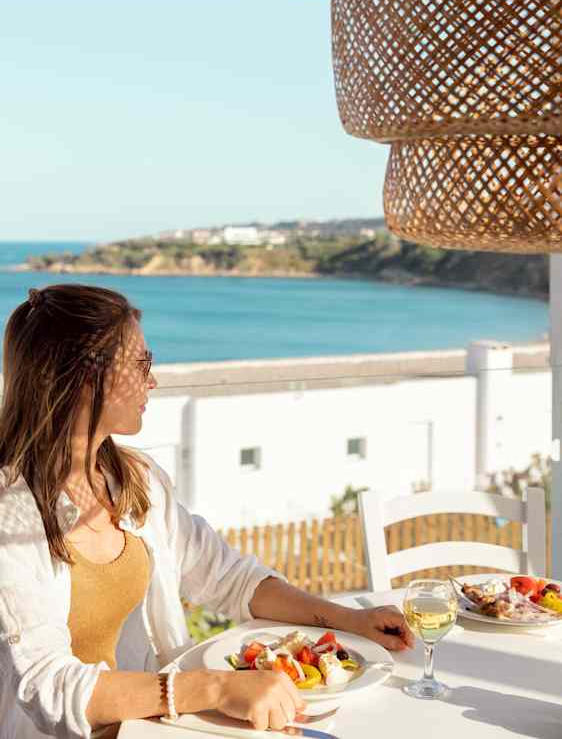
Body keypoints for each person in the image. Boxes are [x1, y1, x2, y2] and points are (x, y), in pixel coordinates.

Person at [0, 284, 414, 739]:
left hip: (157, 729)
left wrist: (348, 619)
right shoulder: (10, 516)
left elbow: (230, 578)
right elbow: (47, 684)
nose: (152, 381)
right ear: (84, 377)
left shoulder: (136, 480)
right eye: (141, 364)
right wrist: (215, 688)